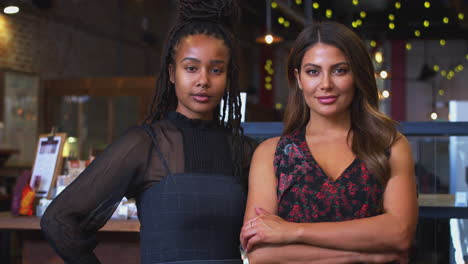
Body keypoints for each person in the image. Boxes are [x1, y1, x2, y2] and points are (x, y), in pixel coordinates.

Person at [41, 1, 257, 263]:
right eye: (191, 68)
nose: (203, 80)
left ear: (227, 77)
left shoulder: (244, 150)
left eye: (216, 70)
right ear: (172, 73)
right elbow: (58, 219)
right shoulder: (145, 145)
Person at [240, 21, 418, 263]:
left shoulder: (389, 145)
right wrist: (367, 254)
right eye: (313, 71)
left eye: (339, 70)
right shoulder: (271, 153)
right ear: (299, 78)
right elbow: (260, 253)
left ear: (357, 75)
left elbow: (399, 234)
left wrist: (293, 231)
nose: (325, 84)